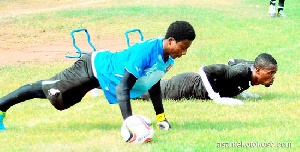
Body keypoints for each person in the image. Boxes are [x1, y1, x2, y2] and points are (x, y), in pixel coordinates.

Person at [0, 20, 196, 131]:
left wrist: (161, 117)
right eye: (183, 47)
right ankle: (1, 107)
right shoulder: (146, 52)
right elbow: (123, 88)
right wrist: (129, 122)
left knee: (67, 102)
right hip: (92, 67)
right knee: (51, 92)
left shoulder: (168, 60)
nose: (184, 52)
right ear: (171, 41)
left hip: (103, 78)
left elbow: (153, 85)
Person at [139, 53, 277, 105]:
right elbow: (205, 69)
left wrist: (241, 92)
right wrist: (216, 97)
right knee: (142, 92)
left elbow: (231, 60)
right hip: (186, 87)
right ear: (257, 70)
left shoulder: (250, 71)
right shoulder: (241, 71)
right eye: (270, 73)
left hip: (189, 84)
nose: (273, 77)